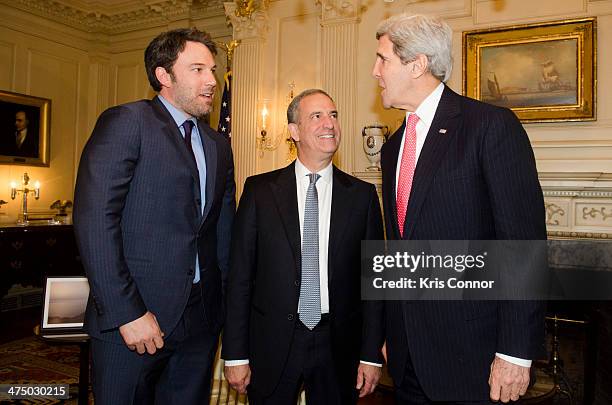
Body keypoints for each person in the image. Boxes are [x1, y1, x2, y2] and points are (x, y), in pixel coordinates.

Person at [372, 14, 546, 404]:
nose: (375, 70)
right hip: (407, 358)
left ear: (417, 64)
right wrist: (389, 331)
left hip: (475, 359)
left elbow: (522, 246)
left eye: (383, 59)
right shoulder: (392, 147)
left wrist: (515, 352)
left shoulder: (488, 126)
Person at [73, 28, 235, 405]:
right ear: (164, 76)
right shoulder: (127, 122)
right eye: (197, 69)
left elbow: (221, 232)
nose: (212, 80)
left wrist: (223, 311)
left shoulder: (218, 144)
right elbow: (96, 221)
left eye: (212, 70)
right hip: (132, 321)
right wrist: (126, 313)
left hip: (201, 322)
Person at [222, 89, 384, 404]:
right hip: (272, 343)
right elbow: (239, 278)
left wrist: (372, 354)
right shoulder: (259, 192)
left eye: (334, 115)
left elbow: (374, 284)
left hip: (338, 345)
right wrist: (235, 354)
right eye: (317, 116)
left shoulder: (362, 197)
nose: (330, 124)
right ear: (294, 131)